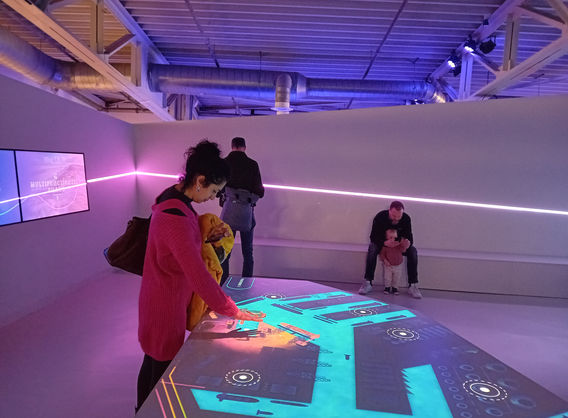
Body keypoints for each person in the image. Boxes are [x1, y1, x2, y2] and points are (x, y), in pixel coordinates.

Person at [136, 140, 265, 413]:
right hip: (165, 305)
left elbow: (178, 245)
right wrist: (233, 310)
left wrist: (205, 234)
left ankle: (140, 410)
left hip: (158, 296)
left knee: (152, 360)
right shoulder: (175, 217)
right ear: (200, 180)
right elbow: (198, 275)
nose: (213, 197)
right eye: (214, 190)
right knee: (161, 370)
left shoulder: (172, 198)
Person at [220, 137, 264, 286]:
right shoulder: (252, 164)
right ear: (244, 147)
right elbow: (260, 191)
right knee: (248, 251)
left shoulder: (224, 163)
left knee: (225, 250)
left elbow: (219, 188)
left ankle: (224, 284)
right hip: (246, 212)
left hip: (228, 212)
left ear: (232, 146)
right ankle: (246, 283)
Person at [359, 201, 422, 298]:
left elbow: (409, 238)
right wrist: (384, 243)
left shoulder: (406, 218)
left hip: (398, 246)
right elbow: (373, 237)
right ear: (389, 211)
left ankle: (413, 285)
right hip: (383, 244)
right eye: (393, 216)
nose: (396, 219)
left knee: (413, 251)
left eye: (399, 216)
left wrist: (406, 243)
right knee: (372, 248)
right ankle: (368, 282)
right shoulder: (380, 217)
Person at [379, 229, 409, 295]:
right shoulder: (385, 247)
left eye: (395, 238)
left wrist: (403, 244)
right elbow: (382, 254)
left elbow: (403, 250)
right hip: (388, 265)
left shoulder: (398, 246)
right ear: (386, 238)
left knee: (397, 277)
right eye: (390, 237)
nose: (393, 239)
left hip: (398, 265)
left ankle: (395, 288)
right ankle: (387, 287)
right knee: (387, 277)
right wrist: (385, 260)